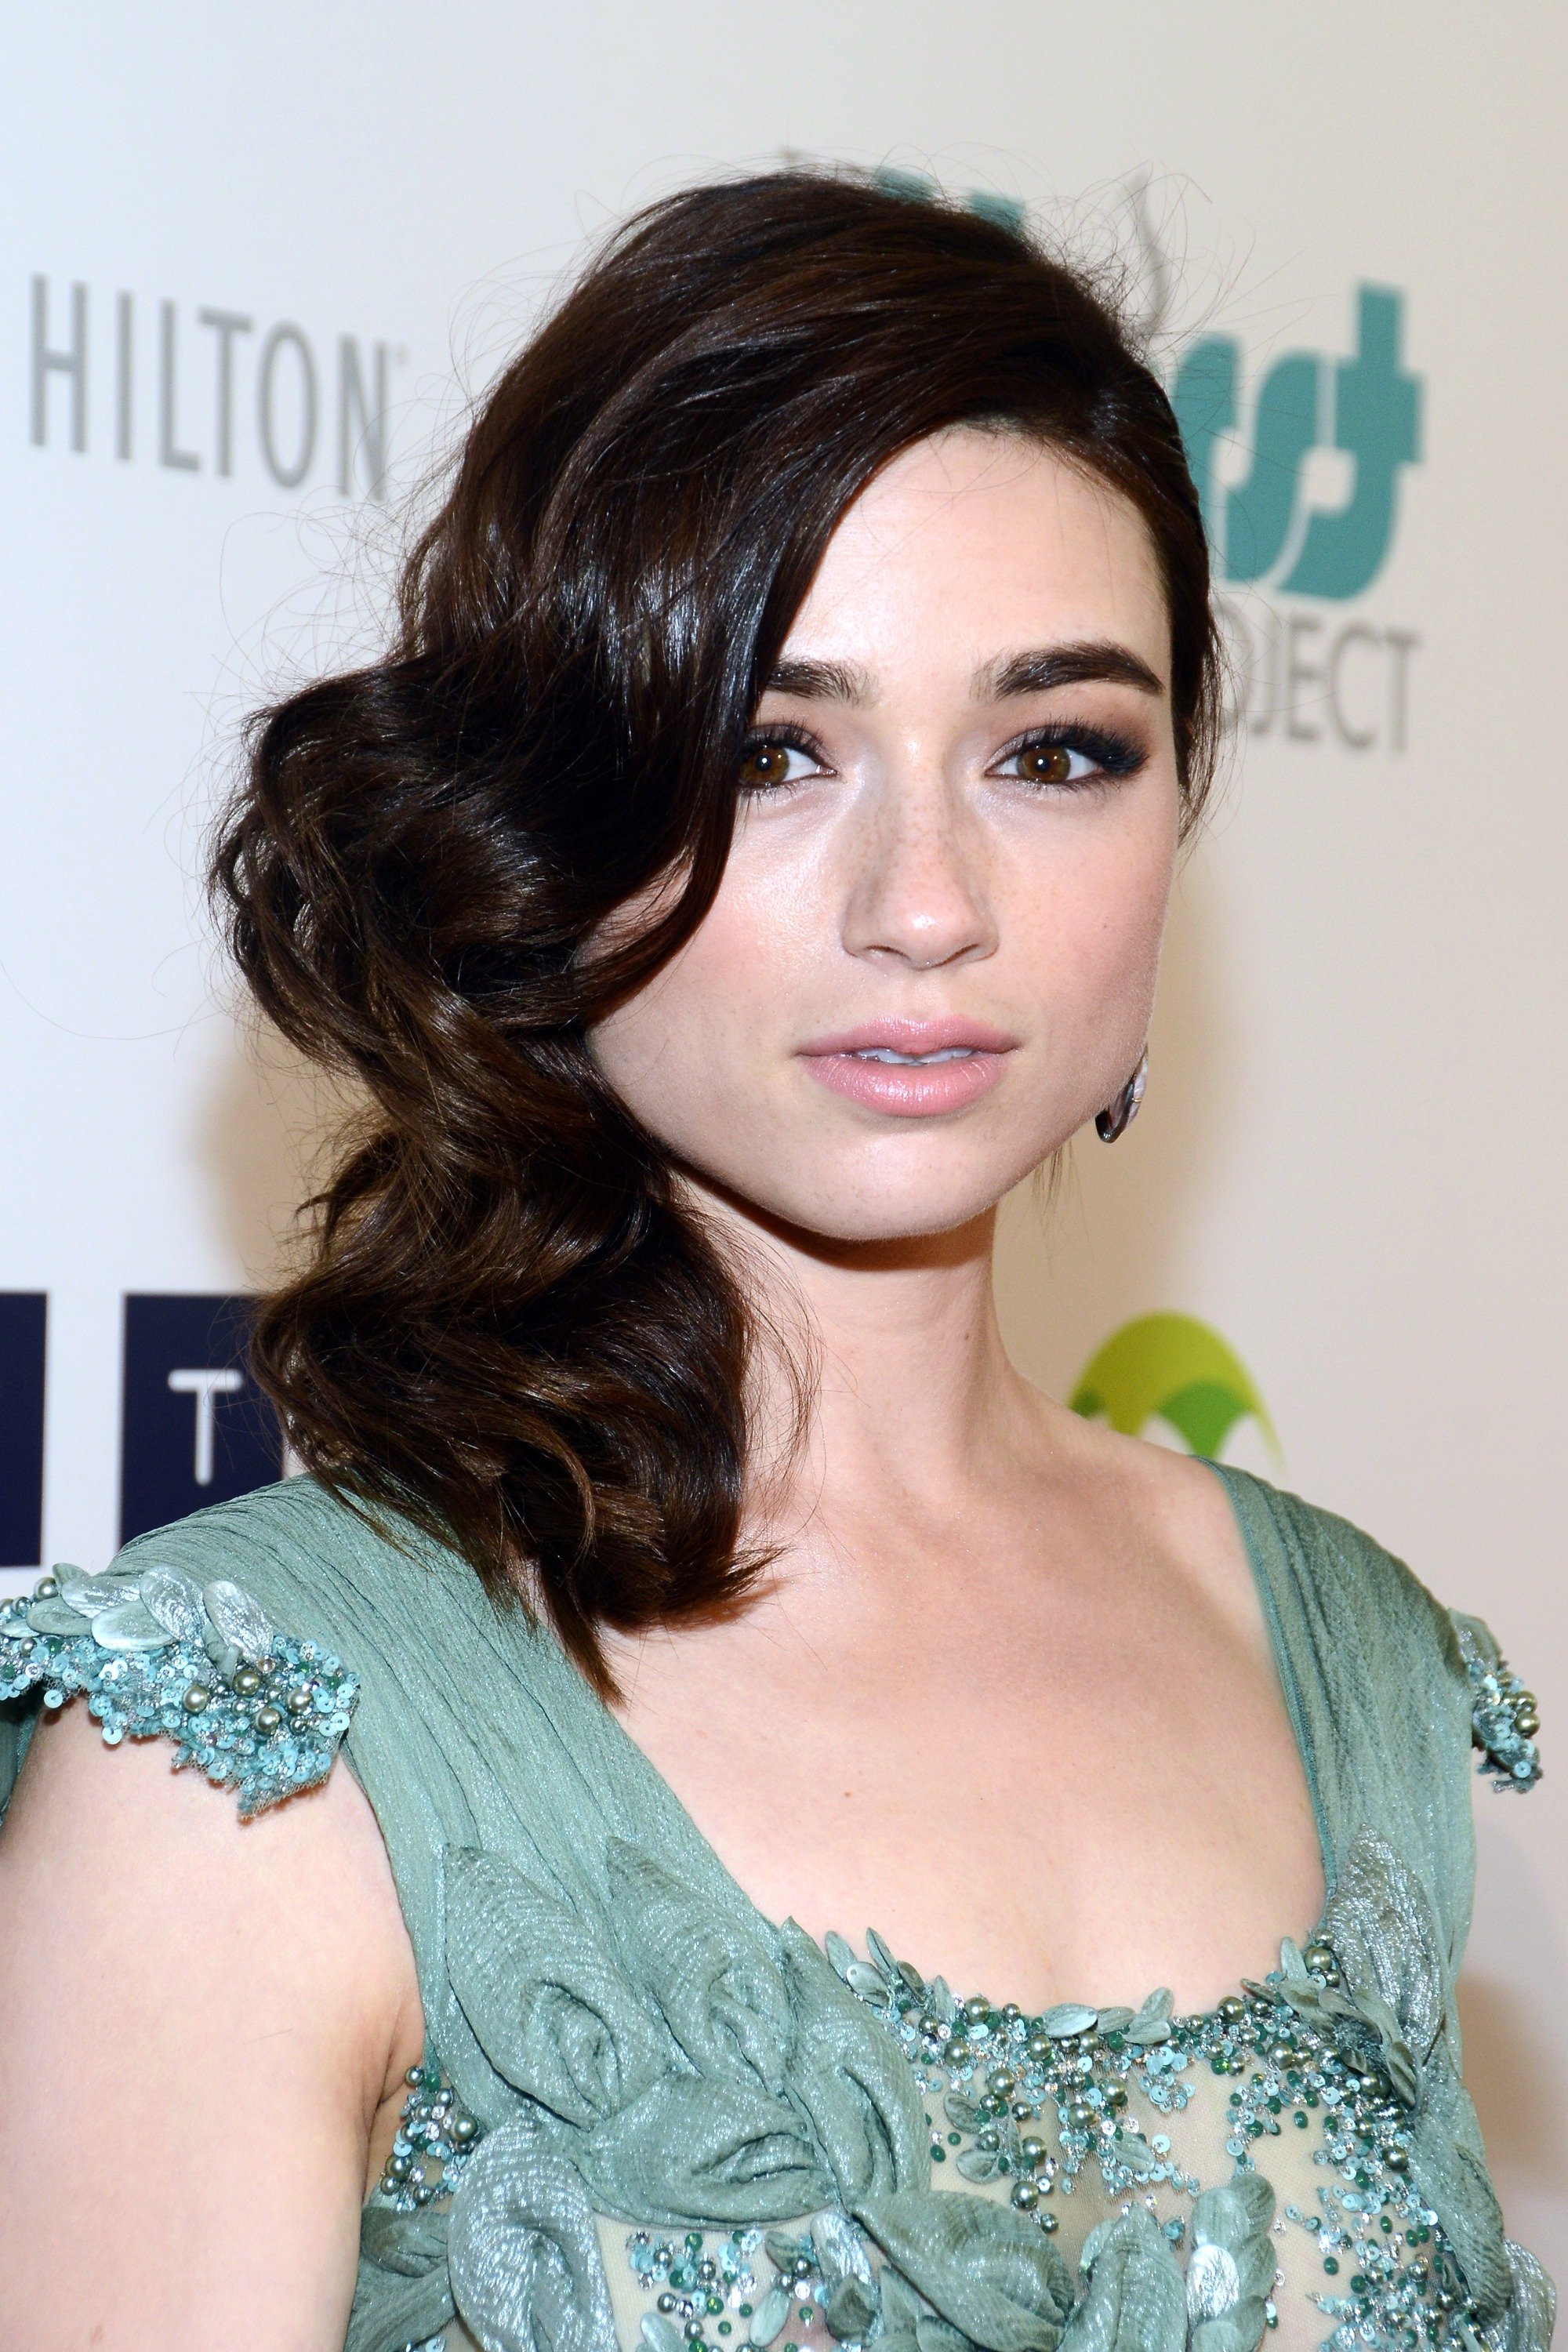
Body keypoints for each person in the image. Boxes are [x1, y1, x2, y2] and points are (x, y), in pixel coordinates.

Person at [0, 172, 1550, 2352]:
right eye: (773, 751)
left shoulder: (1351, 1667)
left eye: (1055, 752)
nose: (928, 902)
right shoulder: (252, 1759)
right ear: (548, 827)